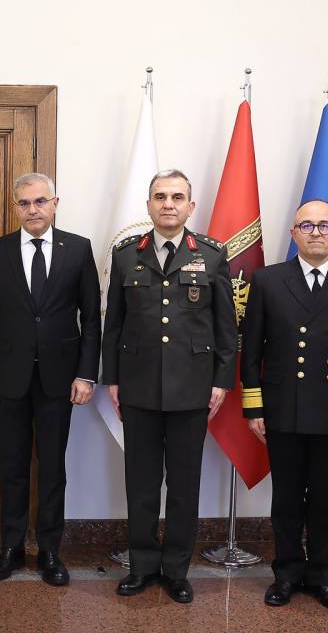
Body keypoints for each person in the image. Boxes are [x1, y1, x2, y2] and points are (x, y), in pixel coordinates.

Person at [100, 169, 236, 603]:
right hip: (138, 387)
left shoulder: (212, 256)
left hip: (192, 389)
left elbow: (226, 328)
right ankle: (142, 566)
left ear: (191, 207)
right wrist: (113, 378)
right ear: (148, 205)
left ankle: (176, 569)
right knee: (140, 482)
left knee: (183, 485)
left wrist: (220, 381)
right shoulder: (126, 255)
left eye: (178, 197)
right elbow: (113, 324)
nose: (169, 204)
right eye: (160, 196)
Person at [241, 200, 328, 613]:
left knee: (325, 499)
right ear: (293, 233)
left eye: (324, 225)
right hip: (284, 408)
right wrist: (255, 407)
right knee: (286, 498)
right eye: (307, 225)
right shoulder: (268, 280)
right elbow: (251, 353)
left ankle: (322, 578)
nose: (316, 232)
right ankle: (285, 575)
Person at [0, 172, 100, 586]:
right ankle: (10, 548)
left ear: (55, 202)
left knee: (52, 468)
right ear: (16, 207)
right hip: (8, 379)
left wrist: (86, 373)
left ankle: (49, 550)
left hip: (60, 380)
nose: (33, 210)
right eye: (25, 203)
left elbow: (92, 319)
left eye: (40, 201)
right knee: (11, 467)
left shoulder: (78, 250)